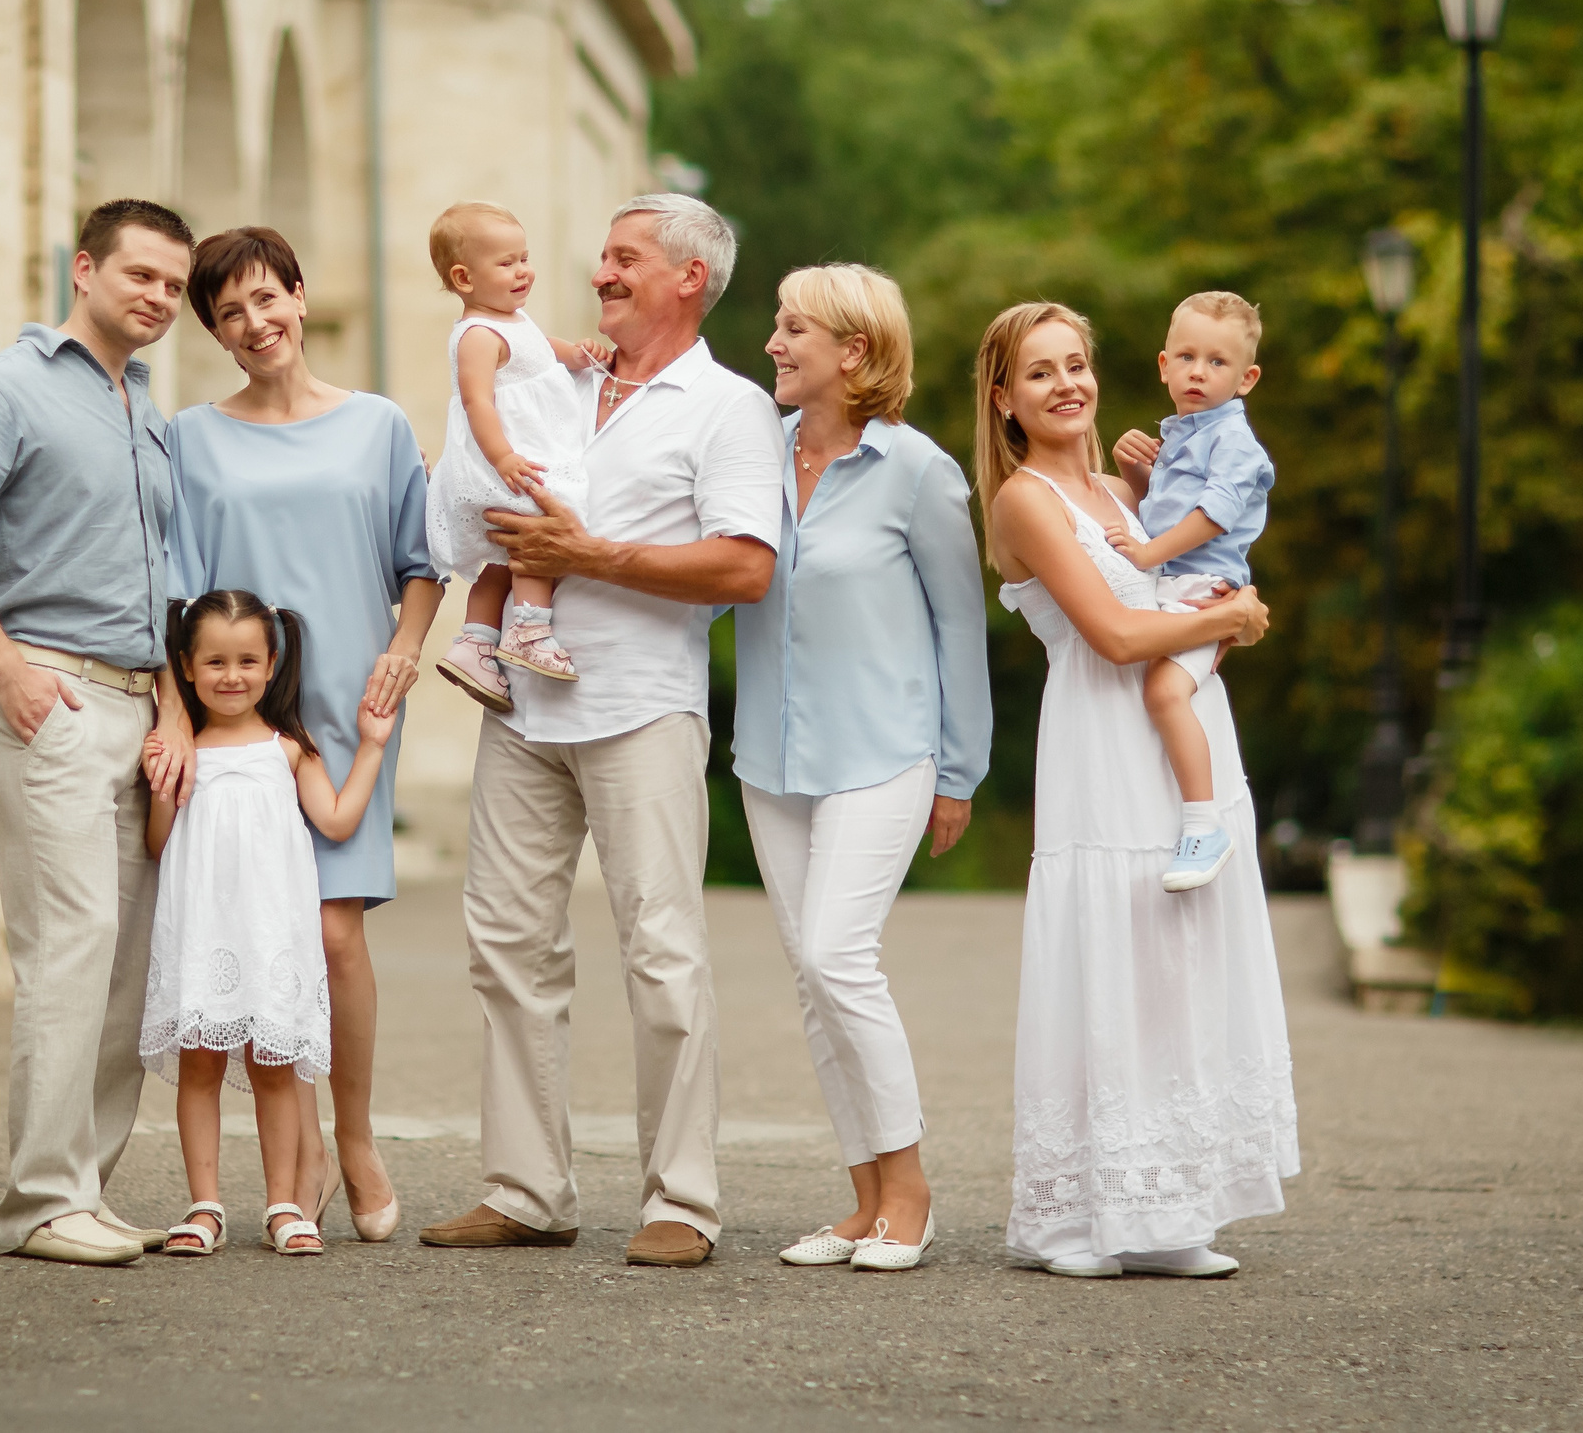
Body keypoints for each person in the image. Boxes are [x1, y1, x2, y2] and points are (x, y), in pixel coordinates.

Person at [418, 194, 782, 1269]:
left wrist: (595, 556)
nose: (600, 275)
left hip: (639, 708)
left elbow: (746, 567)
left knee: (661, 951)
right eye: (604, 259)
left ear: (686, 278)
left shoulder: (728, 407)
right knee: (507, 945)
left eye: (624, 260)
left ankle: (681, 1200)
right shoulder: (552, 375)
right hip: (521, 704)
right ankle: (526, 1190)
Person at [0, 197, 194, 1266]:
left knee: (124, 964)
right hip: (50, 698)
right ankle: (39, 1202)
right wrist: (5, 669)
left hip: (139, 706)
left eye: (172, 285)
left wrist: (171, 707)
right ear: (84, 268)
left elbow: (161, 575)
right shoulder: (3, 389)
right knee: (68, 951)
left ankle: (85, 1191)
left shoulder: (146, 407)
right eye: (140, 275)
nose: (158, 297)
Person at [975, 301, 1296, 1281]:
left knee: (1179, 964)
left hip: (1180, 740)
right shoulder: (1027, 500)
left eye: (1076, 364)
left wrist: (1211, 590)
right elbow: (1115, 636)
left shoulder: (1131, 489)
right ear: (1005, 398)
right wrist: (1232, 619)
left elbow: (1195, 565)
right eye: (1040, 372)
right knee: (1115, 956)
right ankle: (1082, 1219)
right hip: (1104, 749)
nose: (1066, 384)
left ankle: (1167, 1207)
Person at [157, 226, 443, 1245]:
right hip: (236, 708)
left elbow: (423, 560)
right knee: (252, 929)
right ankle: (297, 1151)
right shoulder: (188, 436)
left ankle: (351, 1138)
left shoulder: (376, 425)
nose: (255, 322)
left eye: (267, 299)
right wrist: (176, 714)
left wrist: (403, 654)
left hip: (349, 700)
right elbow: (176, 590)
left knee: (331, 932)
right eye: (230, 312)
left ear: (301, 296)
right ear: (215, 332)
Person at [734, 264, 992, 1275]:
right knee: (812, 979)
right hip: (770, 756)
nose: (773, 343)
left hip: (886, 750)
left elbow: (958, 628)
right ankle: (863, 1202)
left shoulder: (917, 471)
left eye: (793, 327)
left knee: (840, 957)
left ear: (854, 350)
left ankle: (911, 1195)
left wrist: (958, 772)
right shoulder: (748, 451)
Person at [138, 591, 398, 1259]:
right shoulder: (184, 749)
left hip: (271, 933)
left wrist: (371, 745)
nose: (233, 675)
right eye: (215, 661)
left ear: (274, 662)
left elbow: (337, 820)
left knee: (274, 1066)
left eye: (248, 660)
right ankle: (204, 1205)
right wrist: (164, 787)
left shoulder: (289, 750)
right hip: (203, 930)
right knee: (199, 1064)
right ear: (187, 668)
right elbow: (158, 843)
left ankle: (286, 1204)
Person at [1102, 291, 1276, 893]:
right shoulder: (1184, 434)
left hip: (1206, 592)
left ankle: (1204, 825)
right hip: (1176, 584)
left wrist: (1149, 553)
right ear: (1164, 365)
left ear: (1247, 378)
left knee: (1165, 693)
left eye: (1218, 362)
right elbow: (1167, 505)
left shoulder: (1232, 441)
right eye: (1187, 357)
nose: (1199, 372)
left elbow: (1214, 515)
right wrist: (1136, 476)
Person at [423, 201, 612, 702]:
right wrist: (503, 457)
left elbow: (542, 349)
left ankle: (474, 643)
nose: (523, 270)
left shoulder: (512, 320)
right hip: (499, 464)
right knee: (538, 536)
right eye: (506, 263)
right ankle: (530, 631)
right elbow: (476, 400)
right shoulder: (478, 336)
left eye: (524, 257)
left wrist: (577, 354)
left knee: (504, 561)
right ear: (464, 278)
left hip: (514, 457)